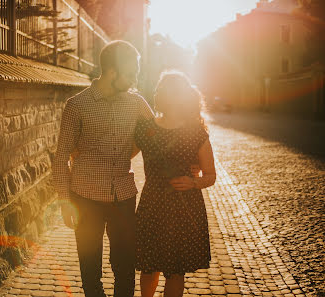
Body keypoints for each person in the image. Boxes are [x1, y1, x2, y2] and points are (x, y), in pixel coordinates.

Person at [52, 40, 154, 297]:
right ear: (111, 72)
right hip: (84, 197)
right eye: (131, 74)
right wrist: (64, 200)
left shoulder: (136, 103)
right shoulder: (77, 105)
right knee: (90, 270)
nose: (134, 80)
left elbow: (159, 137)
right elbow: (62, 154)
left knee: (125, 267)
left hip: (123, 195)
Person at [134, 71, 216, 297]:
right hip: (152, 205)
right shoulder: (145, 128)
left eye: (167, 91)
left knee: (175, 272)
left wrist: (192, 182)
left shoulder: (195, 133)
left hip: (184, 209)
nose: (162, 95)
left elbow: (210, 175)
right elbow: (122, 155)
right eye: (161, 91)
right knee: (149, 268)